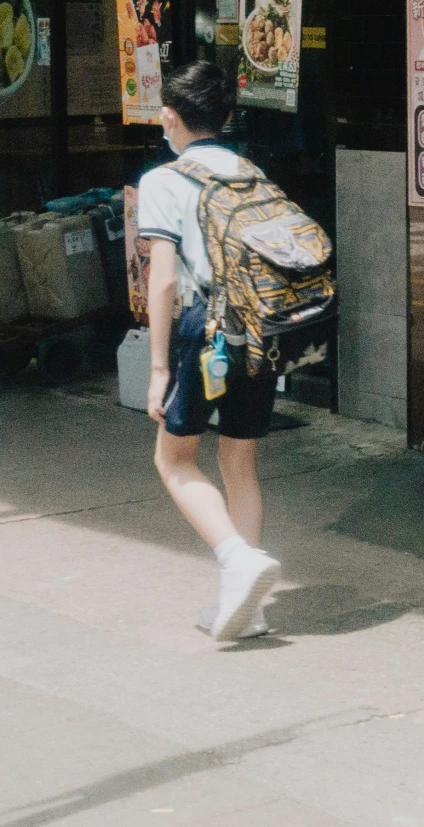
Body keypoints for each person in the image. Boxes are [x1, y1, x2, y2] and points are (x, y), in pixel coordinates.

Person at [139, 61, 283, 642]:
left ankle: (236, 560)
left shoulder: (164, 179)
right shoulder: (250, 170)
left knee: (173, 459)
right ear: (224, 116)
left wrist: (156, 368)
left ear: (172, 116)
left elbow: (165, 281)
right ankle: (247, 605)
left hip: (209, 329)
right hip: (262, 328)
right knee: (239, 462)